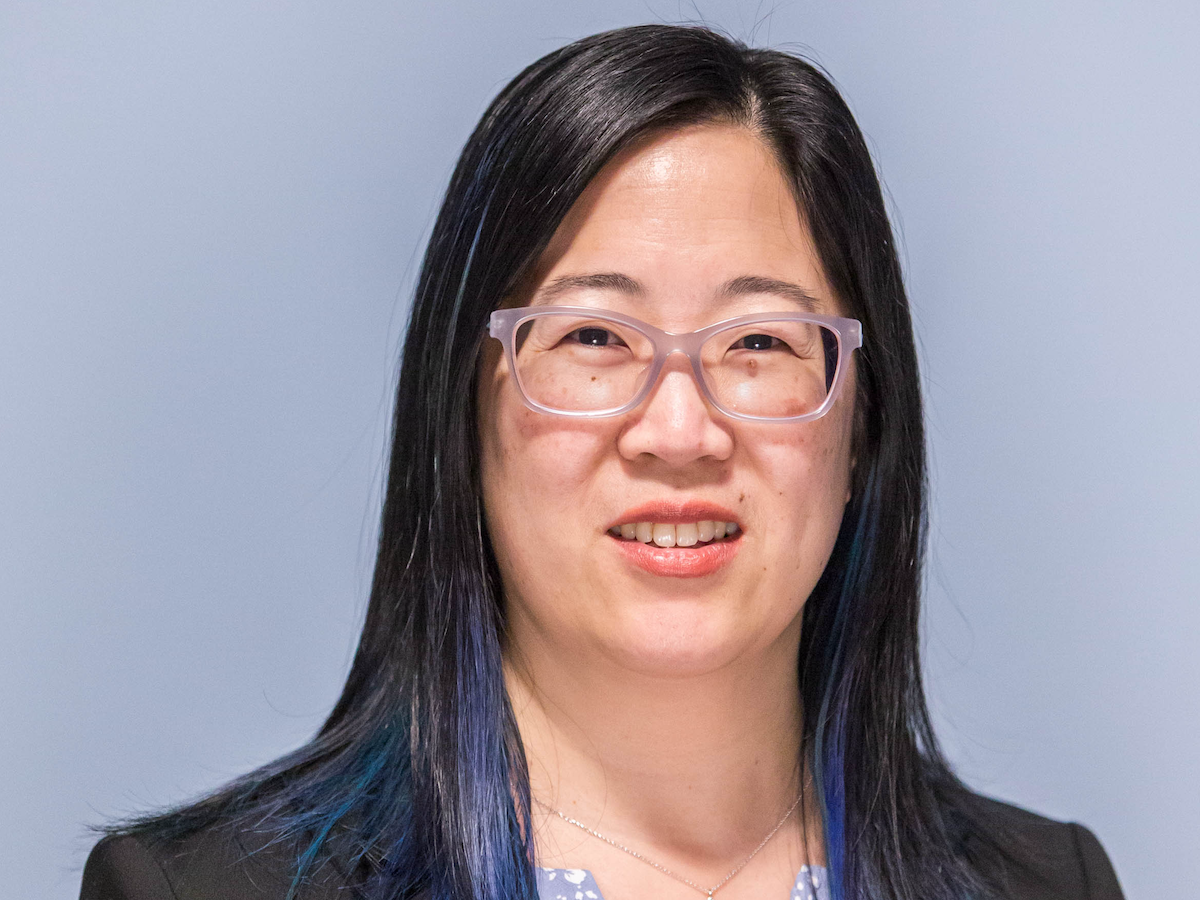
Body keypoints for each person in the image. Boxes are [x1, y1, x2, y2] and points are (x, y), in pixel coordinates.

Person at [81, 24, 1124, 900]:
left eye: (760, 343)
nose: (679, 431)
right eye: (593, 337)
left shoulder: (1052, 885)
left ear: (862, 427)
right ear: (463, 413)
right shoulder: (198, 890)